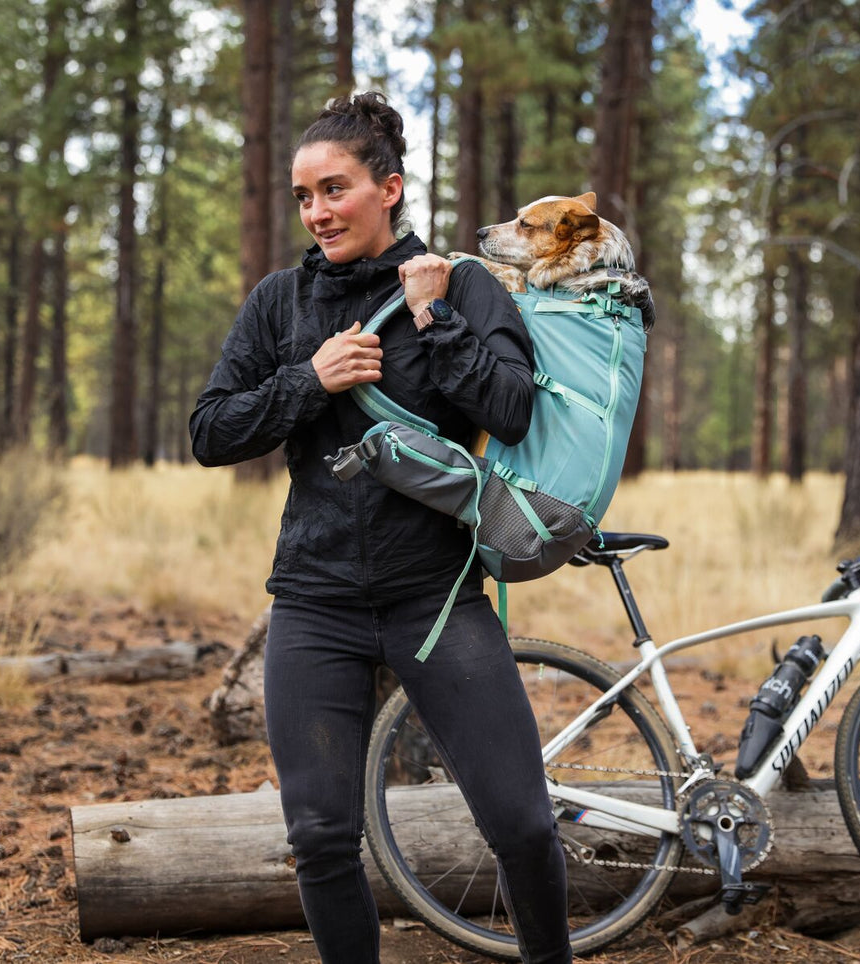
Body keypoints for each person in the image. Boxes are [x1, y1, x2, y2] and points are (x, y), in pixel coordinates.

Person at [189, 92, 572, 964]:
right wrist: (308, 381)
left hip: (435, 600)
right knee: (321, 836)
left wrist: (434, 319)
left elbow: (510, 412)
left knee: (519, 823)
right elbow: (210, 432)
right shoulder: (280, 303)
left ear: (389, 188)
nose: (317, 211)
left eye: (335, 189)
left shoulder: (464, 284)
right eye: (303, 196)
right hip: (314, 603)